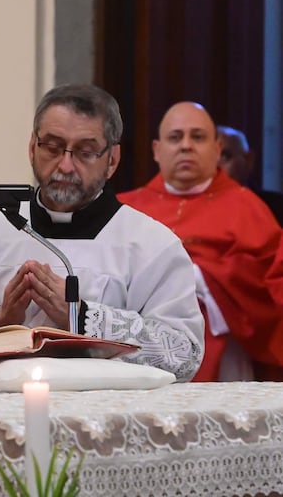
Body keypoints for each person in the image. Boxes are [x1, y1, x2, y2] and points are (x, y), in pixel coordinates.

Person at [0, 84, 204, 382]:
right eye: (52, 147)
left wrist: (83, 317)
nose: (66, 165)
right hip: (7, 414)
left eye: (85, 152)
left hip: (111, 417)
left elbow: (184, 355)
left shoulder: (152, 245)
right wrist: (1, 321)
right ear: (32, 147)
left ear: (112, 160)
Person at [118, 102, 283, 381]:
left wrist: (203, 278)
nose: (185, 146)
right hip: (138, 347)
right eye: (175, 137)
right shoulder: (124, 209)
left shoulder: (247, 207)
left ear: (217, 149)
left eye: (198, 137)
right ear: (156, 150)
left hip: (223, 349)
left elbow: (270, 285)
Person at [216, 125, 283, 225]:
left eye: (224, 157)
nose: (215, 168)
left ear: (249, 160)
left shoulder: (277, 209)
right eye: (209, 160)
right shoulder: (189, 210)